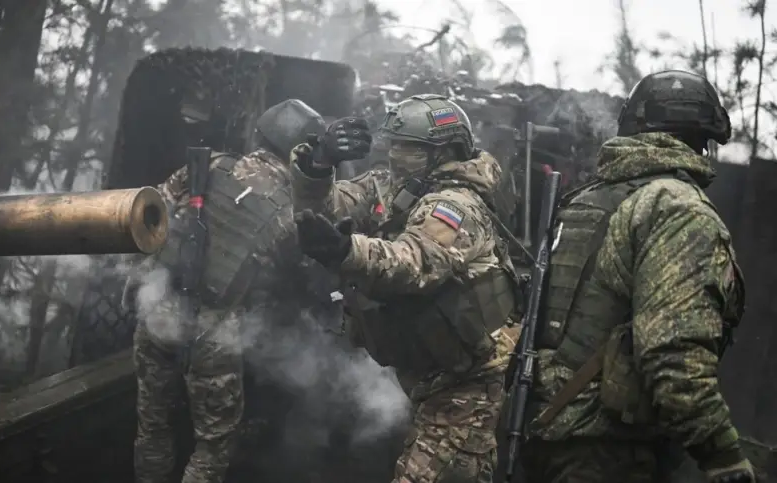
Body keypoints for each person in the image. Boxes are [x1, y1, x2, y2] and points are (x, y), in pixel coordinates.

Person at [520, 70, 752, 483]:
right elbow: (673, 353)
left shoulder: (588, 199)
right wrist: (723, 457)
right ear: (705, 137)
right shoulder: (678, 209)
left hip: (542, 433)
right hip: (610, 450)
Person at [289, 93, 521, 483]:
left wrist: (349, 250)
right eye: (394, 145)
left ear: (446, 151)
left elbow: (416, 262)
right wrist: (319, 163)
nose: (397, 155)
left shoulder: (456, 204)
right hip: (425, 370)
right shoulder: (393, 185)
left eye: (411, 148)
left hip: (467, 382)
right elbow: (327, 212)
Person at [126, 98, 326, 483]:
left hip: (158, 308)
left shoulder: (210, 166)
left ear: (260, 134)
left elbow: (154, 214)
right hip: (215, 334)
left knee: (152, 427)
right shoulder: (293, 211)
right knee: (213, 447)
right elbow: (293, 282)